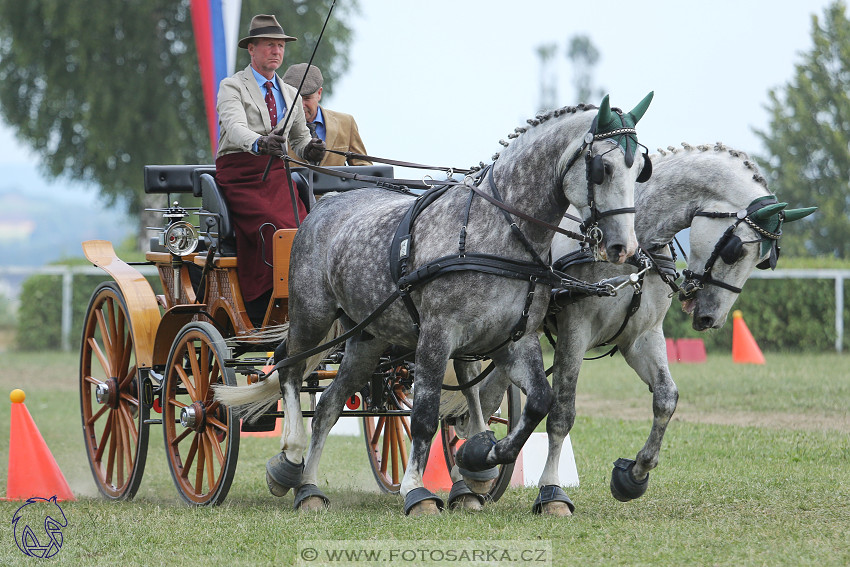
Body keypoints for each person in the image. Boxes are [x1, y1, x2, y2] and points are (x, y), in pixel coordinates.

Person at [215, 14, 325, 325]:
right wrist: (259, 143)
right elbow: (234, 127)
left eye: (280, 46)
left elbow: (300, 139)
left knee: (306, 227)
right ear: (251, 48)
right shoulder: (232, 86)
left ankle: (308, 293)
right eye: (269, 46)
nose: (276, 51)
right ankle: (265, 299)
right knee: (273, 224)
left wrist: (310, 150)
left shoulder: (290, 94)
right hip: (241, 172)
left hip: (276, 173)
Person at [282, 63, 371, 167]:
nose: (301, 105)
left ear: (319, 93)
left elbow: (363, 167)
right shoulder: (277, 127)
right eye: (295, 99)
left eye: (307, 98)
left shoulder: (346, 123)